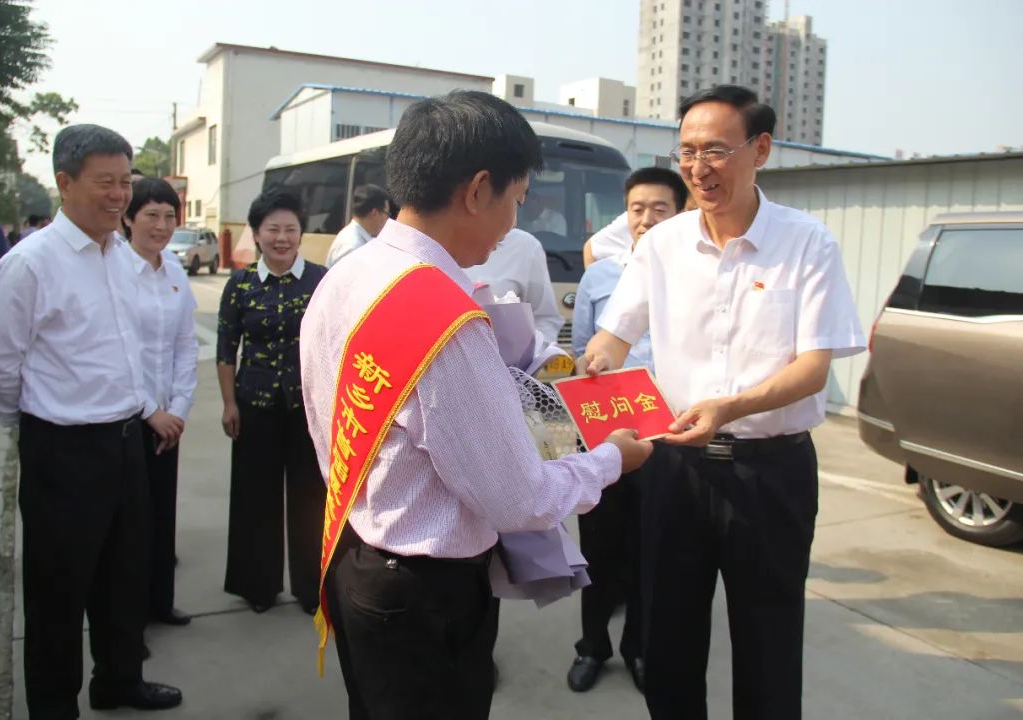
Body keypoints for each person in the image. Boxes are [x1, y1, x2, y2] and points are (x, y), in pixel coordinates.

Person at [299, 90, 654, 720]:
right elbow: (519, 499)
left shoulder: (349, 274)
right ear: (477, 190)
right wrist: (609, 461)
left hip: (357, 554)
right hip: (424, 595)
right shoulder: (445, 320)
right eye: (517, 200)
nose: (514, 222)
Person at [580, 85, 865, 720]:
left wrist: (729, 407)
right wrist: (582, 367)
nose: (698, 168)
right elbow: (614, 336)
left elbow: (813, 368)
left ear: (759, 149)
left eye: (715, 150)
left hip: (771, 473)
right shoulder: (663, 244)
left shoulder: (806, 243)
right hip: (674, 468)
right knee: (669, 635)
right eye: (686, 153)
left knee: (769, 638)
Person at [0, 124, 183, 718]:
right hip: (62, 453)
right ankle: (54, 706)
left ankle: (119, 681)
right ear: (64, 183)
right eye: (105, 183)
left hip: (123, 443)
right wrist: (41, 426)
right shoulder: (31, 265)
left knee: (123, 581)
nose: (120, 197)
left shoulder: (121, 255)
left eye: (125, 182)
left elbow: (128, 352)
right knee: (58, 597)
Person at [566, 166, 687, 694]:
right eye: (637, 208)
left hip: (668, 439)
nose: (646, 219)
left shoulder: (694, 278)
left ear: (680, 214)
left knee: (650, 552)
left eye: (659, 209)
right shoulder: (599, 277)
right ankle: (593, 646)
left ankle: (640, 648)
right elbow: (579, 352)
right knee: (598, 550)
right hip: (606, 436)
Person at [217, 188, 327, 614]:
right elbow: (227, 347)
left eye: (290, 229)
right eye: (272, 229)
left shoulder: (321, 279)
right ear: (257, 235)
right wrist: (229, 404)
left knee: (310, 497)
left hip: (308, 407)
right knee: (254, 498)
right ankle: (256, 586)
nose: (282, 238)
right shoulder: (240, 284)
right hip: (255, 404)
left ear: (301, 234)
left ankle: (309, 586)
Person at [121, 177, 198, 628]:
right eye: (151, 214)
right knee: (129, 527)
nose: (162, 225)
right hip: (131, 419)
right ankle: (128, 621)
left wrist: (180, 409)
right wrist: (152, 413)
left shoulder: (173, 269)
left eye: (170, 216)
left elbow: (185, 346)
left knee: (161, 516)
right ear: (129, 218)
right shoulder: (116, 272)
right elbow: (117, 353)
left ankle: (159, 602)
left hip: (170, 419)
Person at [465, 227, 565, 344]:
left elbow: (544, 319)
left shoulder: (526, 247)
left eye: (518, 207)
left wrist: (531, 356)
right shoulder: (440, 242)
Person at [325, 184, 390, 267]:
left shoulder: (359, 238)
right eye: (387, 214)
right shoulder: (352, 246)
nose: (387, 220)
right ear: (374, 213)